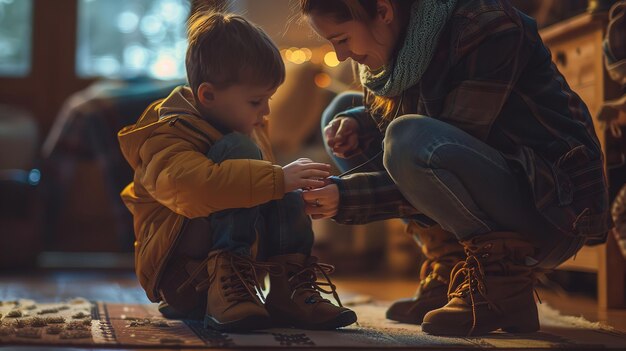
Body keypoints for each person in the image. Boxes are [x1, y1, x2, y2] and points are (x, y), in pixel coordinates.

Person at [299, 0, 611, 336]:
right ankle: (451, 265)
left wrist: (347, 196)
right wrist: (358, 124)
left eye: (342, 39)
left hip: (553, 206)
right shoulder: (396, 52)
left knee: (408, 139)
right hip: (502, 186)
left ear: (384, 11)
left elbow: (434, 148)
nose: (341, 55)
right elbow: (431, 123)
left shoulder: (485, 26)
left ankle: (503, 281)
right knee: (343, 111)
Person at [117, 11, 357, 332]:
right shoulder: (166, 136)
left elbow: (265, 192)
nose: (266, 111)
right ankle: (225, 279)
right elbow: (195, 190)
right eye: (256, 101)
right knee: (255, 165)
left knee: (282, 188)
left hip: (242, 283)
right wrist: (277, 179)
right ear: (208, 96)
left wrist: (291, 192)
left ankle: (290, 289)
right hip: (183, 277)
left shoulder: (244, 128)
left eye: (268, 99)